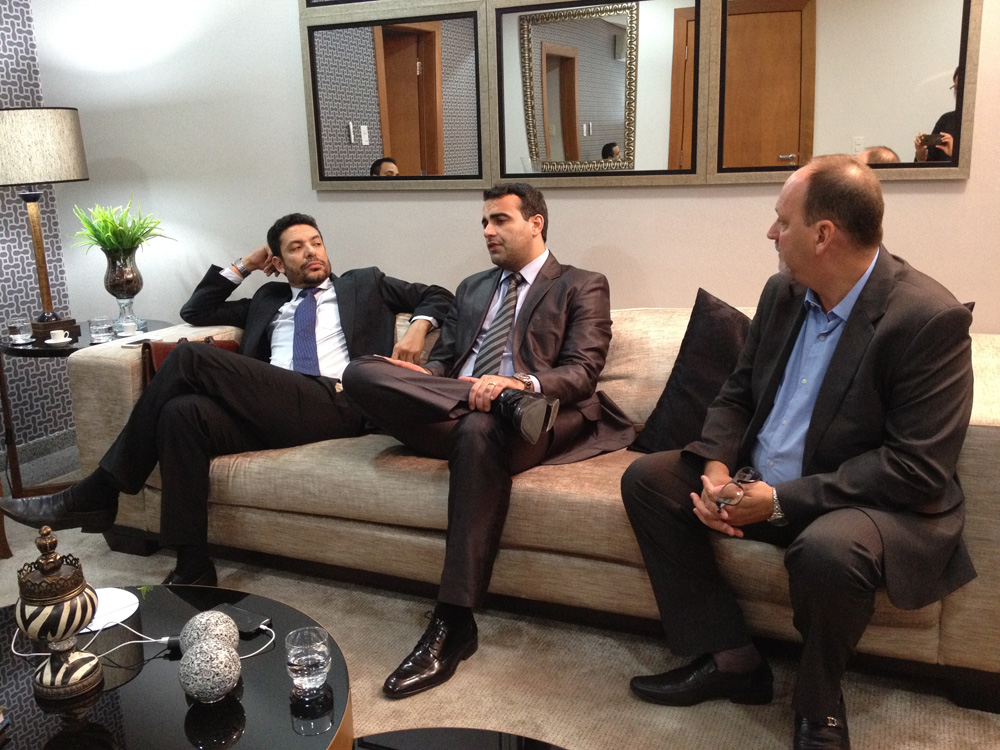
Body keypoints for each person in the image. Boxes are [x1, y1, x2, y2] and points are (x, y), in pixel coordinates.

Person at [620, 155, 974, 750]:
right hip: (761, 481)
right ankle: (733, 659)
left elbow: (916, 468)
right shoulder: (783, 293)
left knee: (829, 550)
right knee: (648, 480)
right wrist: (715, 469)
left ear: (823, 234)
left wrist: (780, 500)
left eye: (782, 221)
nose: (771, 233)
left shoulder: (926, 319)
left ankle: (819, 705)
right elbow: (737, 393)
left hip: (862, 503)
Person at [0, 213, 453, 585]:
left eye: (316, 243)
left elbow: (439, 296)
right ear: (279, 261)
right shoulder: (269, 300)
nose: (311, 252)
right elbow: (195, 311)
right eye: (296, 248)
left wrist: (418, 327)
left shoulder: (363, 284)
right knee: (181, 413)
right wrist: (247, 264)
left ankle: (100, 489)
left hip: (338, 400)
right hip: (273, 407)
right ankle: (193, 565)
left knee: (189, 358)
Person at [341, 182, 635, 698]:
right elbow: (444, 361)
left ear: (536, 223)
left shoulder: (581, 284)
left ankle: (454, 621)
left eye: (499, 220)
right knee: (362, 371)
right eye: (483, 222)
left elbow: (582, 372)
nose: (487, 231)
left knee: (481, 428)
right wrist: (421, 377)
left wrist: (516, 384)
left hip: (534, 418)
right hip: (462, 405)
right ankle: (484, 402)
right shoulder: (473, 286)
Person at [914, 66, 962, 162]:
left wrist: (955, 154)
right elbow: (930, 163)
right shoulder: (947, 120)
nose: (959, 93)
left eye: (962, 88)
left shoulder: (986, 123)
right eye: (956, 88)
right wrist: (921, 156)